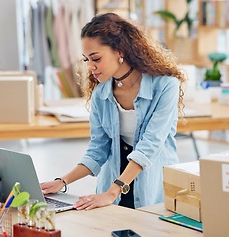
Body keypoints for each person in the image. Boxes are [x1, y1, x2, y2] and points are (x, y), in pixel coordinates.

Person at [41, 13, 186, 210]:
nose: (90, 67)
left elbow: (150, 145)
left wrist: (112, 192)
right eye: (86, 60)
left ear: (120, 51)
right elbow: (98, 149)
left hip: (151, 189)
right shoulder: (101, 93)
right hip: (112, 190)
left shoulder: (165, 86)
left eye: (96, 58)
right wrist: (62, 181)